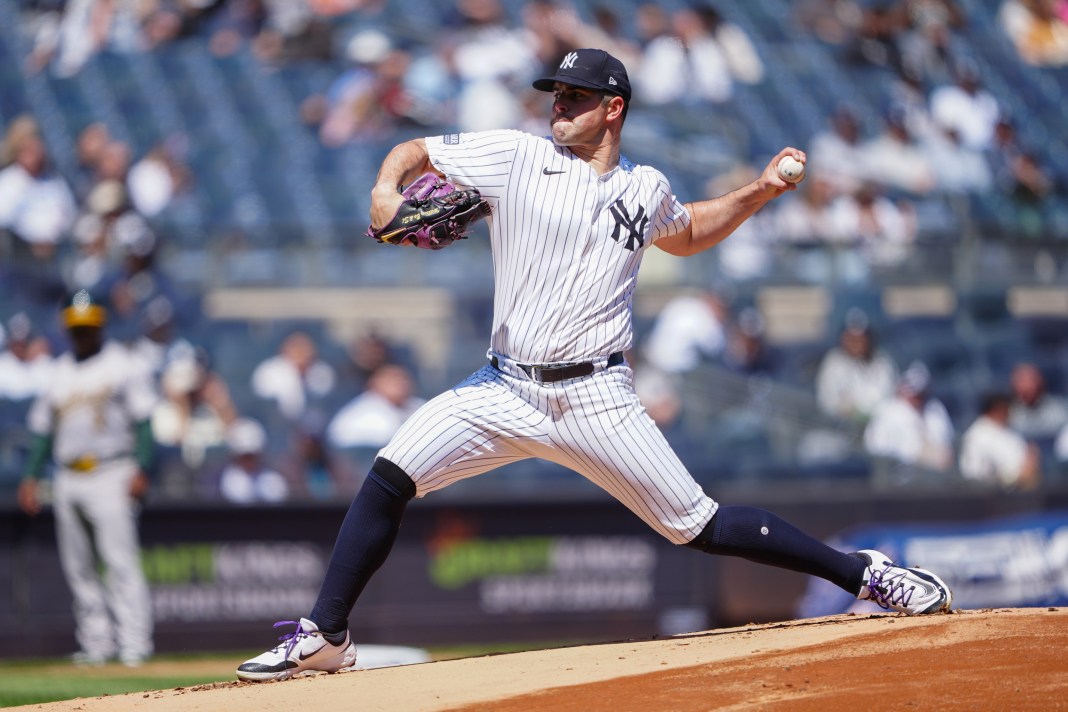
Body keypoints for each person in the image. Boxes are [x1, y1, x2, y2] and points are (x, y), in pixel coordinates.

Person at [235, 48, 953, 683]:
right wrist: (384, 190)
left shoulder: (644, 187)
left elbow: (690, 230)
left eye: (574, 97)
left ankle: (867, 575)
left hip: (598, 396)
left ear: (613, 109)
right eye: (556, 94)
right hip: (504, 386)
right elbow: (415, 149)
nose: (559, 105)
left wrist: (760, 191)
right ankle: (326, 634)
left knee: (697, 525)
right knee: (391, 474)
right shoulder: (517, 155)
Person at [16, 290, 158, 667]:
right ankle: (96, 644)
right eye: (77, 329)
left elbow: (144, 422)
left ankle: (134, 644)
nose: (83, 335)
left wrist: (142, 466)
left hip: (112, 468)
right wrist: (31, 476)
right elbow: (44, 431)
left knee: (119, 562)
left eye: (89, 327)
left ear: (101, 325)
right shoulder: (58, 371)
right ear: (67, 329)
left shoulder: (124, 364)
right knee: (79, 568)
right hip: (67, 475)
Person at [816, 309, 898, 425]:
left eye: (861, 339)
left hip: (877, 424)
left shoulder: (882, 363)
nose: (856, 344)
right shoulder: (834, 363)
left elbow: (888, 395)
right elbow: (827, 400)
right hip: (842, 426)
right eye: (851, 339)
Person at [958, 391, 1041, 490]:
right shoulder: (975, 436)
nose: (1011, 412)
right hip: (994, 499)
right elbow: (974, 477)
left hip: (1024, 493)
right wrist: (1015, 478)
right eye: (1008, 408)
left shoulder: (1011, 431)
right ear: (998, 408)